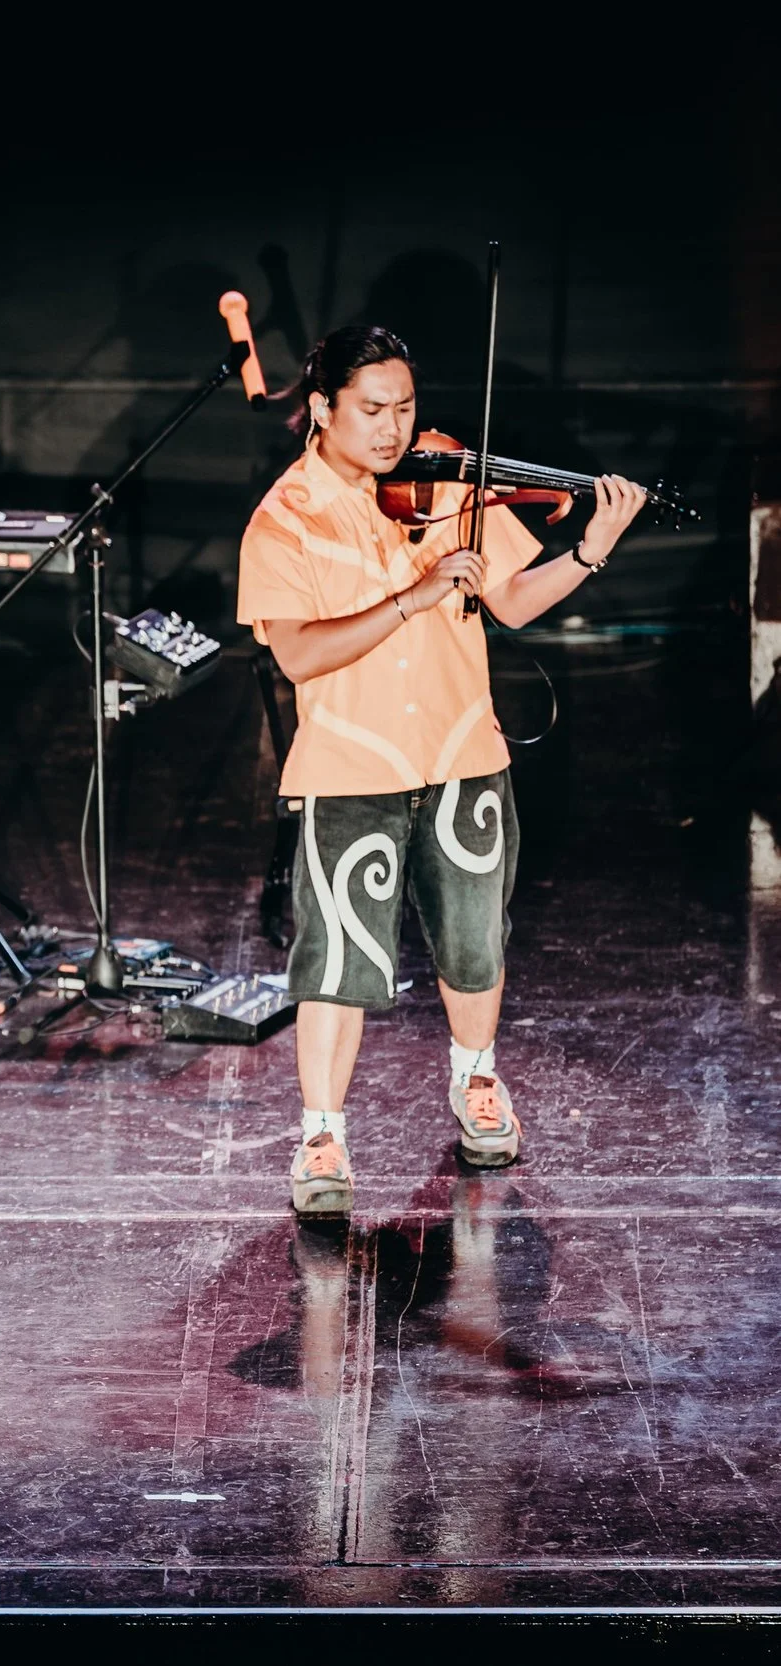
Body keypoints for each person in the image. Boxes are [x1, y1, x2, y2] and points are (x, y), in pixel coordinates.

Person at [238, 325, 647, 1216]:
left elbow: (512, 599)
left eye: (407, 408)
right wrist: (411, 597)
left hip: (465, 749)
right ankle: (322, 1137)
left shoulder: (447, 474)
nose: (395, 430)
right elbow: (301, 656)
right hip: (351, 765)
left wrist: (592, 547)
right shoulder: (286, 517)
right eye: (372, 410)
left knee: (474, 943)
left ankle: (477, 1080)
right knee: (336, 962)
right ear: (322, 410)